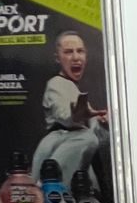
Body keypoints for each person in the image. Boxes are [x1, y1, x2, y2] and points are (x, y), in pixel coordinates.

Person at [31, 32, 109, 187]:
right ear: (57, 58)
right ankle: (48, 184)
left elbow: (98, 139)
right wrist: (75, 116)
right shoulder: (55, 83)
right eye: (68, 52)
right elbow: (63, 115)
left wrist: (104, 124)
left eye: (80, 51)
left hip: (76, 153)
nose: (76, 57)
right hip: (58, 146)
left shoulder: (77, 92)